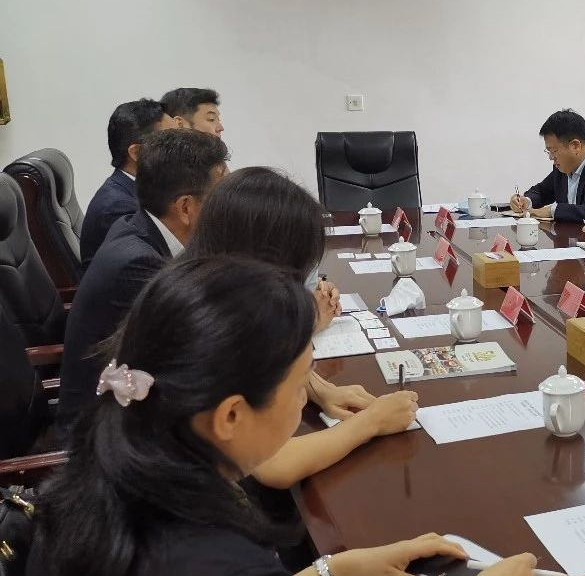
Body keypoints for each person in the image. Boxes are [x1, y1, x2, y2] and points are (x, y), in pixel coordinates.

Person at [21, 255, 538, 576]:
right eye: (300, 384)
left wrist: (337, 569)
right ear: (231, 415)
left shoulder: (88, 491)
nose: (304, 402)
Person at [186, 166, 418, 490]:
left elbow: (267, 368)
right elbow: (272, 464)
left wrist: (318, 389)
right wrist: (372, 422)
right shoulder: (214, 323)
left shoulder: (205, 286)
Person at [58, 129, 228, 427]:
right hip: (102, 430)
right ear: (185, 207)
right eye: (222, 194)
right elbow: (194, 352)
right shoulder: (138, 265)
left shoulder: (141, 226)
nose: (229, 204)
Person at [80, 98, 181, 266]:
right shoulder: (118, 208)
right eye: (171, 142)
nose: (183, 149)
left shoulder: (142, 191)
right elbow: (161, 268)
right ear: (137, 153)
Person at [508, 109, 585, 224]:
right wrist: (526, 200)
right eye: (548, 151)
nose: (551, 157)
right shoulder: (563, 167)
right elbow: (541, 191)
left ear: (575, 146)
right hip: (571, 238)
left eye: (554, 151)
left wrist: (553, 210)